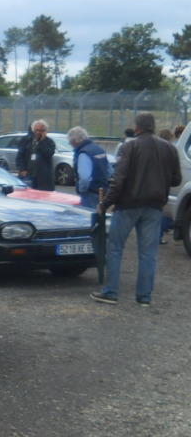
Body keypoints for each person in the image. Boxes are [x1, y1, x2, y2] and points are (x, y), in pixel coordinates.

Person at [91, 112, 181, 307]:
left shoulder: (129, 146)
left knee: (115, 249)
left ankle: (111, 292)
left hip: (128, 205)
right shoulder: (169, 148)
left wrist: (105, 204)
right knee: (148, 253)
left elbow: (119, 179)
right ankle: (144, 297)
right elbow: (176, 180)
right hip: (155, 206)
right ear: (154, 126)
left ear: (137, 127)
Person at [67, 126, 111, 209]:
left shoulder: (83, 153)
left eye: (71, 143)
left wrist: (82, 190)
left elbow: (84, 178)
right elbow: (109, 171)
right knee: (100, 218)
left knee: (89, 218)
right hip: (102, 190)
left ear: (75, 141)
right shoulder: (99, 149)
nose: (71, 145)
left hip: (90, 193)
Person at [22, 120, 55, 191]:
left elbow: (48, 154)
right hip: (29, 175)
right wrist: (22, 169)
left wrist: (42, 142)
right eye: (37, 130)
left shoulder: (49, 142)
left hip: (44, 178)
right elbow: (21, 156)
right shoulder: (27, 141)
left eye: (41, 130)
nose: (38, 132)